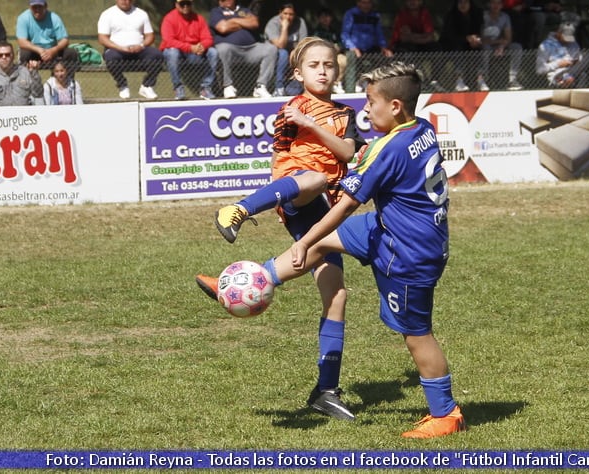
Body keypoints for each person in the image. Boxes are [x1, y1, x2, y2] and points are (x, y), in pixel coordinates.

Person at [196, 61, 466, 439]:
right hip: (394, 229)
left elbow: (344, 206)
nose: (366, 109)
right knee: (324, 243)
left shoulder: (386, 149)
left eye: (371, 102)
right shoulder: (421, 128)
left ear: (396, 108)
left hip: (407, 252)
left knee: (416, 332)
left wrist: (302, 240)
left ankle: (445, 414)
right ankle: (254, 281)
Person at [201, 37, 364, 420]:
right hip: (297, 191)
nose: (322, 70)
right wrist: (282, 189)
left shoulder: (345, 113)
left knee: (336, 293)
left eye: (328, 64)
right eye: (313, 65)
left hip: (322, 204)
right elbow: (283, 153)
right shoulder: (294, 107)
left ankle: (326, 390)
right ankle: (238, 209)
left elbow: (347, 152)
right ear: (297, 73)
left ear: (338, 70)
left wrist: (317, 130)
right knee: (313, 177)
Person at [208, 0, 276, 99]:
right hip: (231, 50)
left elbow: (254, 23)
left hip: (251, 49)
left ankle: (260, 86)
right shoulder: (216, 12)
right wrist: (243, 22)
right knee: (223, 48)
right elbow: (223, 28)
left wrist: (232, 21)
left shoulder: (244, 10)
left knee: (271, 49)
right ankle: (227, 86)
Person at [97, 0, 163, 100]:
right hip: (117, 50)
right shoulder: (107, 14)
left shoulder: (142, 14)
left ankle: (147, 86)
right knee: (111, 57)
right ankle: (122, 85)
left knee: (157, 55)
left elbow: (150, 36)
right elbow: (102, 38)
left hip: (139, 49)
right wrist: (120, 47)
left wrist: (141, 45)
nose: (125, 1)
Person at [160, 0, 218, 100]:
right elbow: (168, 41)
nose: (185, 6)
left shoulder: (199, 18)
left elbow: (208, 38)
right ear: (176, 5)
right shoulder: (169, 18)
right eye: (182, 4)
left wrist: (202, 46)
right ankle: (178, 88)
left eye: (188, 4)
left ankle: (206, 88)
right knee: (172, 52)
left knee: (213, 52)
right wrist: (190, 47)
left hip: (195, 52)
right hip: (177, 52)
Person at [341, 0, 393, 93]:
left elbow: (379, 33)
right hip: (354, 50)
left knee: (385, 60)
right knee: (350, 60)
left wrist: (383, 47)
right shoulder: (351, 14)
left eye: (368, 2)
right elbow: (345, 34)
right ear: (358, 3)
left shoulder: (375, 15)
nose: (366, 5)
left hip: (372, 49)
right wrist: (352, 47)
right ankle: (352, 86)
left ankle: (375, 85)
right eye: (363, 2)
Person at [16, 0, 79, 71]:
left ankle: (66, 80)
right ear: (30, 7)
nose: (37, 10)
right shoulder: (23, 18)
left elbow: (65, 40)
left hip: (52, 52)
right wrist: (39, 50)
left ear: (45, 6)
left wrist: (53, 50)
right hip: (34, 52)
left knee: (70, 52)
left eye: (40, 7)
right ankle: (25, 80)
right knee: (24, 53)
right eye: (34, 7)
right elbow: (21, 42)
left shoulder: (54, 18)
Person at [0, 41, 43, 106]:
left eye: (7, 55)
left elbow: (38, 94)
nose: (4, 57)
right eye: (0, 55)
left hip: (22, 116)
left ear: (13, 56)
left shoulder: (24, 71)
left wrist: (34, 73)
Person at [439, 0, 484, 92]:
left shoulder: (476, 15)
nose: (463, 5)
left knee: (480, 50)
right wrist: (466, 38)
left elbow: (479, 31)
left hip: (470, 44)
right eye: (460, 3)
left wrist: (475, 39)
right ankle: (459, 80)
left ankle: (480, 79)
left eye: (465, 3)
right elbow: (450, 36)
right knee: (459, 52)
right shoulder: (451, 16)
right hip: (452, 45)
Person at [264, 3, 308, 97]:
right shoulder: (273, 23)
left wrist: (294, 54)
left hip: (293, 56)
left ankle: (299, 88)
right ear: (280, 13)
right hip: (275, 56)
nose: (288, 17)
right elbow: (281, 45)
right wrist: (284, 27)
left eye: (291, 14)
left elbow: (303, 44)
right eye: (285, 13)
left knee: (304, 55)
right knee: (283, 53)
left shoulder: (300, 22)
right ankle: (279, 87)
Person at [536, 13, 589, 88]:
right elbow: (539, 70)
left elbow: (579, 60)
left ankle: (569, 76)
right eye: (565, 38)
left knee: (588, 56)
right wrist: (558, 64)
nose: (568, 41)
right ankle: (565, 77)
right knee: (568, 75)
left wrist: (576, 61)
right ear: (559, 33)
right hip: (557, 76)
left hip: (573, 72)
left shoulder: (573, 43)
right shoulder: (545, 45)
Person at [480, 0, 524, 91]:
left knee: (517, 47)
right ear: (489, 4)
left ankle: (512, 79)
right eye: (493, 2)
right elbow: (482, 39)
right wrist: (498, 41)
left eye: (498, 3)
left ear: (502, 5)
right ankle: (484, 79)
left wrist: (502, 45)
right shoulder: (483, 16)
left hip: (499, 45)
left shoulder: (505, 17)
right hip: (485, 45)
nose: (496, 5)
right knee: (486, 49)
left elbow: (508, 38)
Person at [312, 8, 347, 94]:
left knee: (343, 60)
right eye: (323, 17)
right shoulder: (316, 32)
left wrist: (338, 47)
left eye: (328, 16)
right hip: (321, 56)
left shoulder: (334, 30)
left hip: (335, 54)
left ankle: (336, 83)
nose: (326, 19)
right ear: (319, 18)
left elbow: (341, 43)